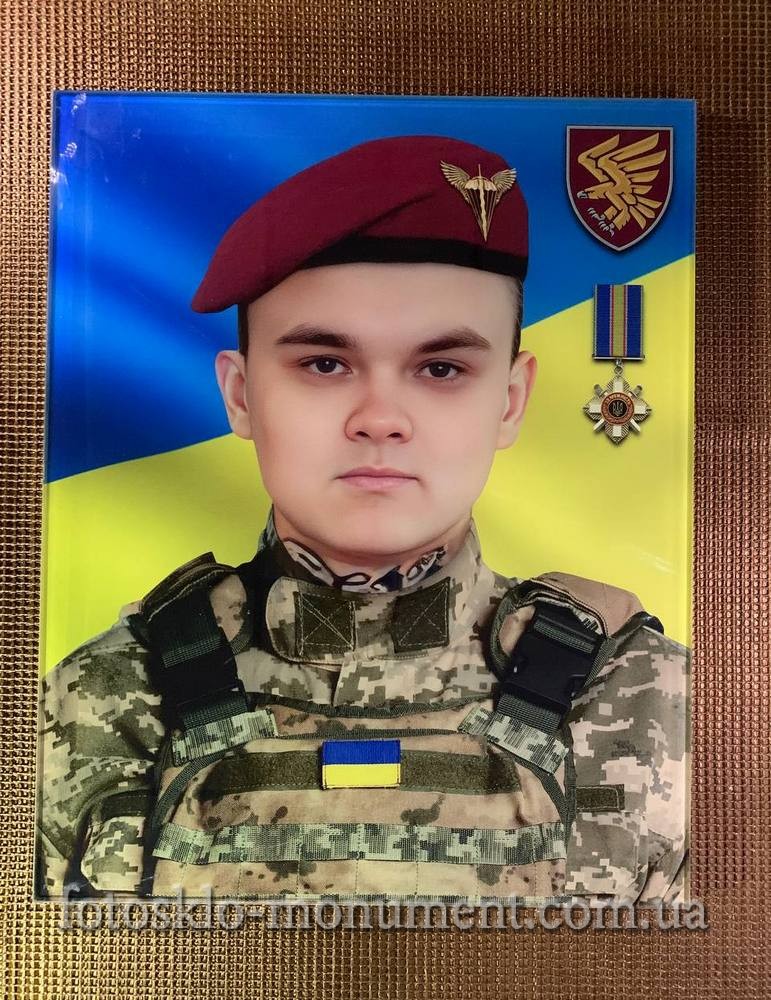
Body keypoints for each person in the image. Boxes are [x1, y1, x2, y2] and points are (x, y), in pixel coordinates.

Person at [37, 134, 689, 906]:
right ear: (240, 396)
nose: (380, 418)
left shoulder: (650, 697)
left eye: (440, 368)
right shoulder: (99, 701)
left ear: (509, 401)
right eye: (324, 364)